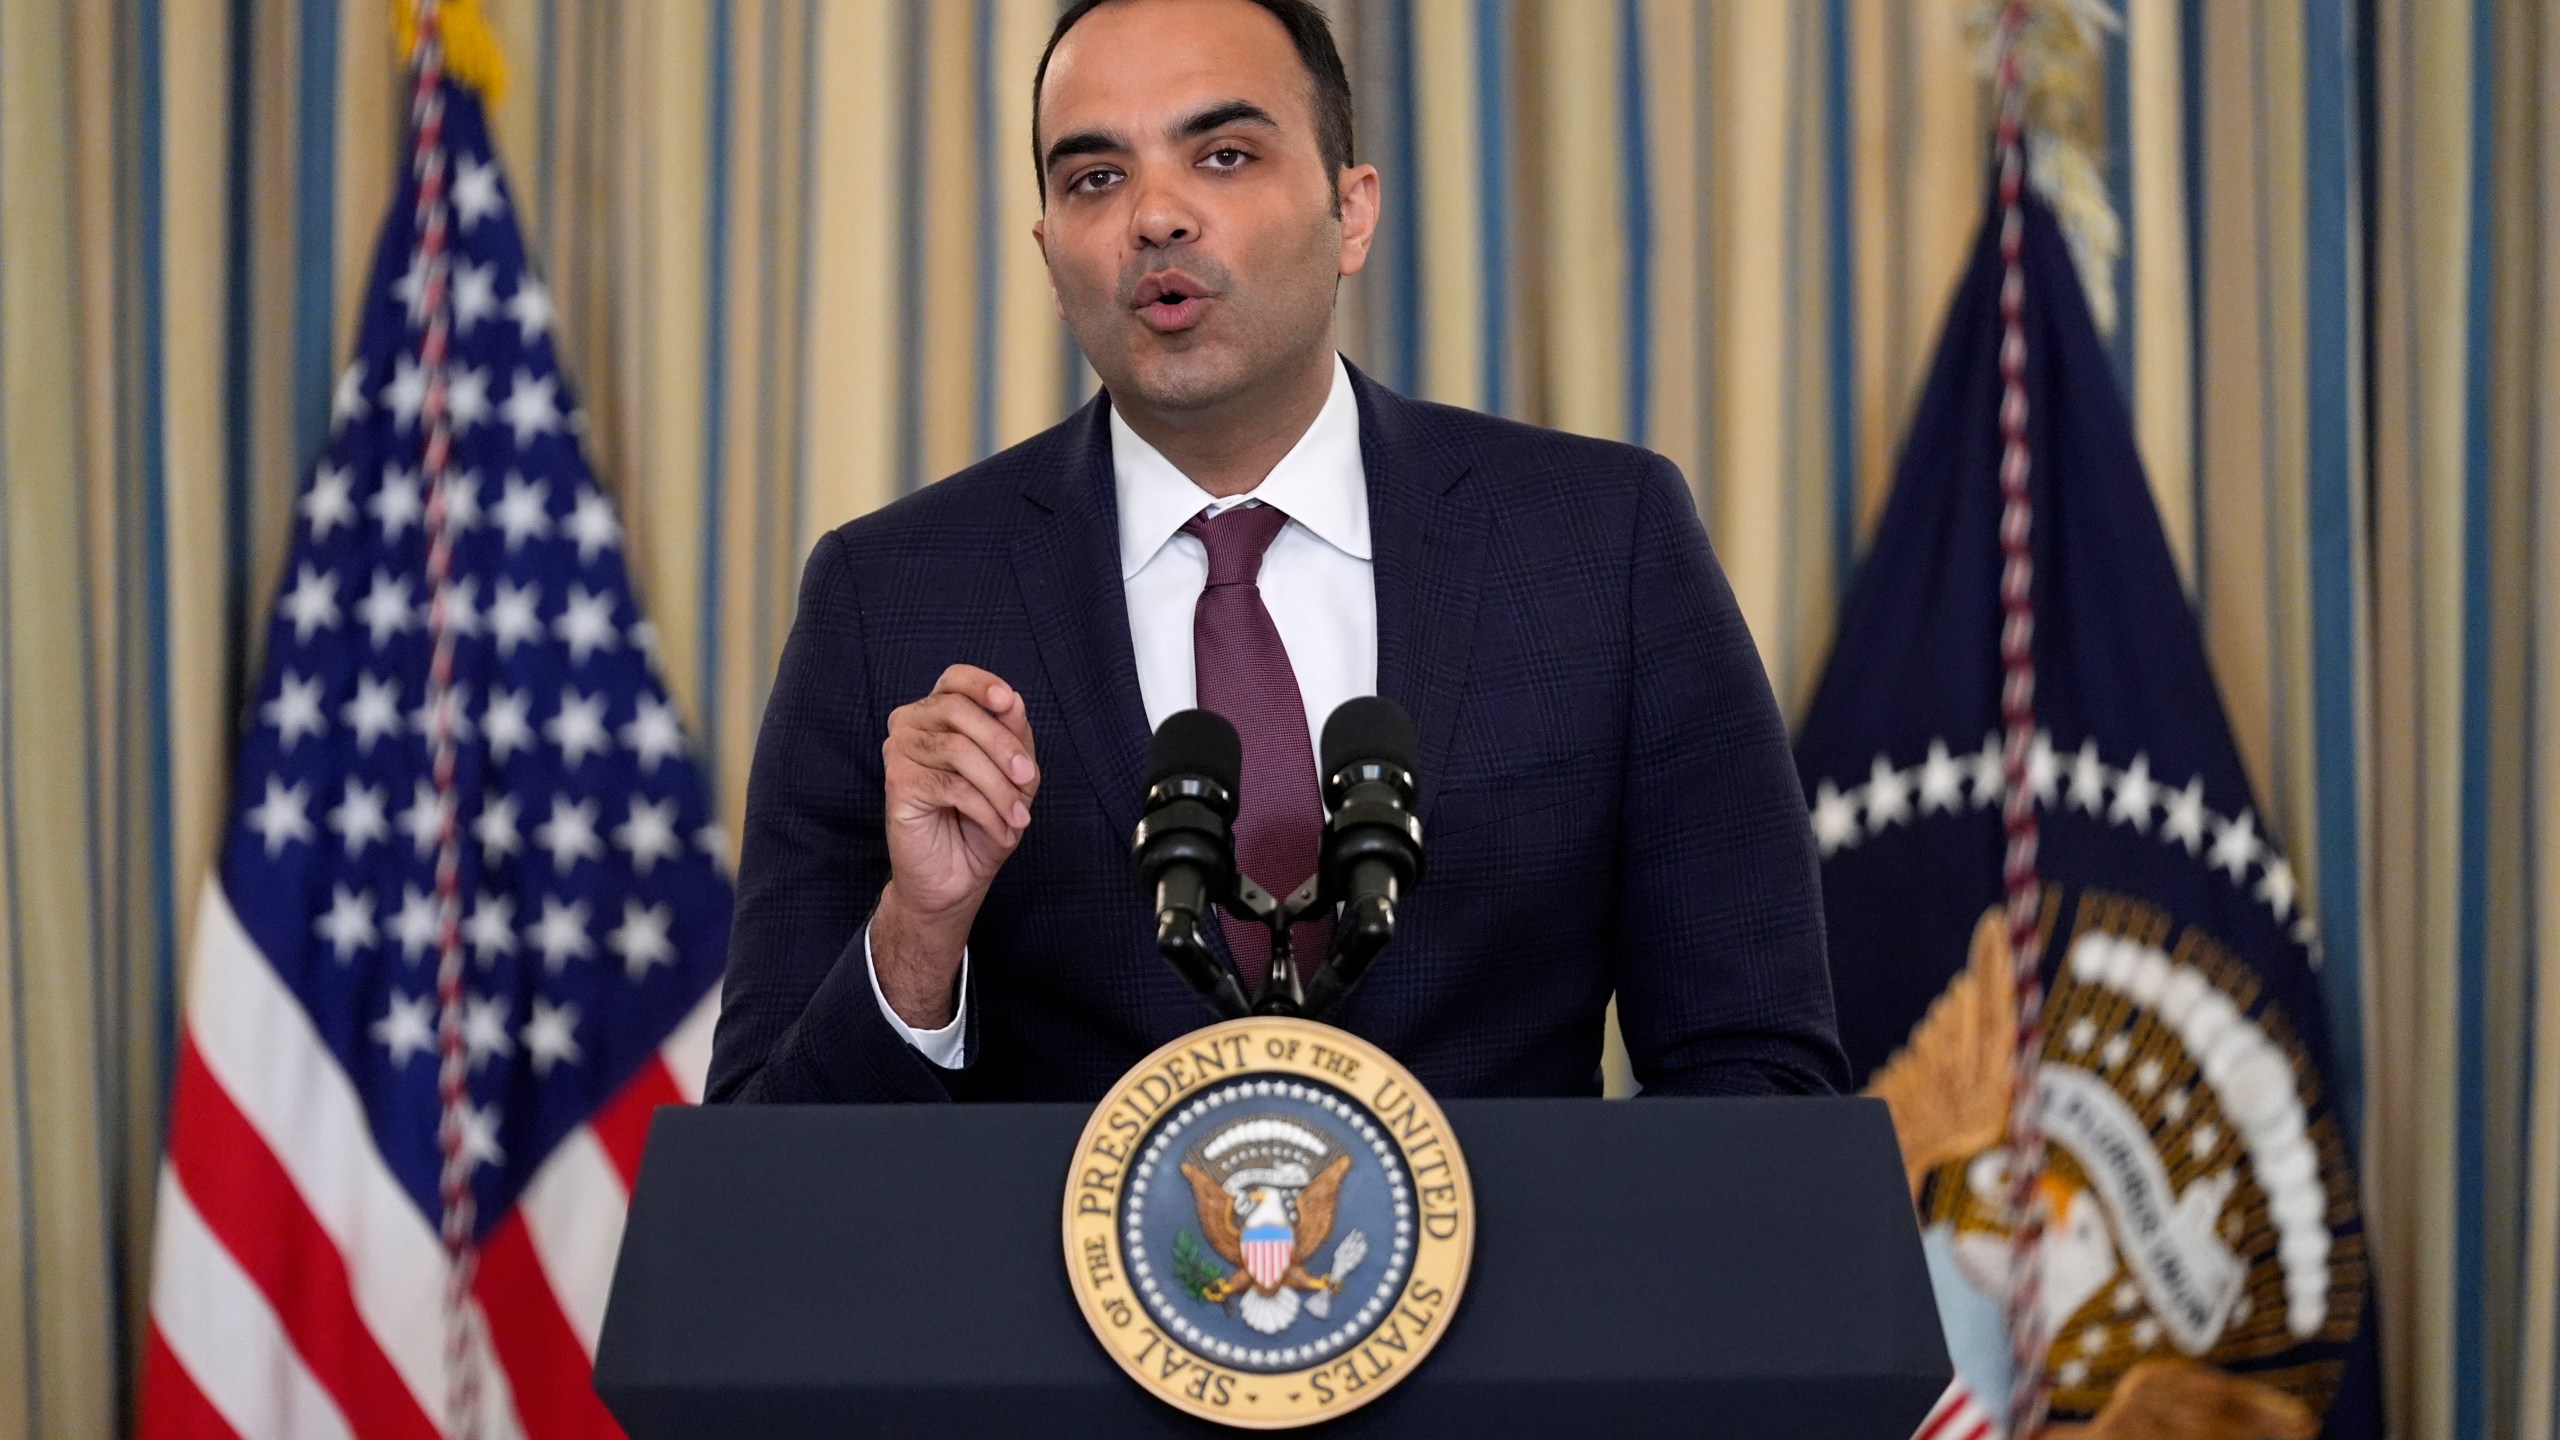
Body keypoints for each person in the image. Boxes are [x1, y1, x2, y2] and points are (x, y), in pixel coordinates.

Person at [706, 0, 1845, 1104]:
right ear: (1053, 261)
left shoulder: (1602, 543)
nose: (1155, 215)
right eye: (1095, 178)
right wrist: (918, 938)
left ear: (1351, 213)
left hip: (1521, 1294)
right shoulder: (890, 598)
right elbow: (765, 1182)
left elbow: (1756, 1074)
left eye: (1224, 155)